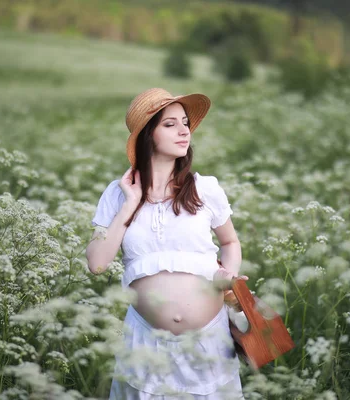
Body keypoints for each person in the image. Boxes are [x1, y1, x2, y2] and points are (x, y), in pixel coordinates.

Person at [86, 88, 248, 399]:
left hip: (208, 342)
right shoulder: (117, 194)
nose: (184, 130)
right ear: (148, 134)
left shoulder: (205, 188)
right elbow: (97, 263)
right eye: (170, 124)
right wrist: (130, 203)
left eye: (185, 123)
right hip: (146, 344)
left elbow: (230, 242)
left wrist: (229, 280)